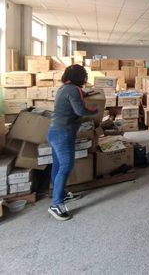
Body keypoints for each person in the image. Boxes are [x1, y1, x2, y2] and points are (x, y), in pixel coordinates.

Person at [48, 65, 98, 221]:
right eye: (84, 76)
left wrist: (85, 94)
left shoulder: (64, 88)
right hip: (63, 134)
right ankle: (56, 204)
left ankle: (60, 194)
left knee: (57, 165)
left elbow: (73, 100)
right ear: (79, 77)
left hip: (54, 132)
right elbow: (80, 110)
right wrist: (95, 110)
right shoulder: (73, 90)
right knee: (66, 166)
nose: (85, 78)